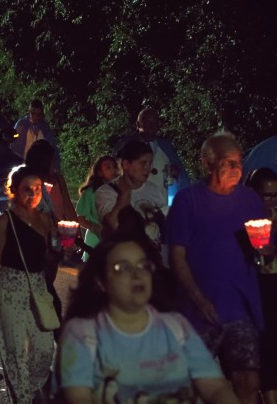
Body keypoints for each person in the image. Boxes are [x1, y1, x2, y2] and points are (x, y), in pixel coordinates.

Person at [57, 230, 237, 404]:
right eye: (123, 268)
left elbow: (216, 389)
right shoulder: (82, 334)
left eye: (143, 266)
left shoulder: (176, 326)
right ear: (100, 281)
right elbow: (78, 398)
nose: (137, 275)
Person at [166, 132, 267, 404]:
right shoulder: (188, 201)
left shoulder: (250, 200)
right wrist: (198, 298)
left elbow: (265, 247)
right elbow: (176, 255)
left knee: (248, 379)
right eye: (227, 162)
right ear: (207, 163)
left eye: (238, 162)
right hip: (198, 309)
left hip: (240, 307)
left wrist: (265, 249)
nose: (235, 168)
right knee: (190, 380)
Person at [0, 165, 60, 403]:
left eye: (38, 189)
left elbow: (49, 256)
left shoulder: (45, 220)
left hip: (37, 287)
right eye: (27, 189)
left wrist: (61, 251)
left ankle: (30, 389)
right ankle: (21, 398)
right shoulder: (5, 221)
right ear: (15, 190)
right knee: (15, 350)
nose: (33, 194)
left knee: (44, 349)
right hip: (10, 287)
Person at [96, 140, 167, 246]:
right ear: (126, 164)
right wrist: (124, 194)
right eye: (143, 163)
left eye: (150, 163)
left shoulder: (154, 189)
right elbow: (114, 225)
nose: (148, 168)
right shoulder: (107, 191)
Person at [245, 168, 277, 404]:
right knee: (264, 346)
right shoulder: (244, 220)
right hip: (256, 286)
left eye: (275, 195)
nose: (270, 200)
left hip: (274, 282)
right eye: (266, 195)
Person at [115, 108, 190, 207]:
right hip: (132, 203)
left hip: (161, 203)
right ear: (138, 124)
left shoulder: (166, 146)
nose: (151, 125)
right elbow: (115, 172)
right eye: (147, 121)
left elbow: (182, 176)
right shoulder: (126, 144)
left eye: (155, 122)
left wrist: (177, 174)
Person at [75, 155, 118, 259]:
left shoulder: (120, 190)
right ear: (99, 172)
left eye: (114, 167)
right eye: (108, 167)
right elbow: (80, 218)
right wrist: (95, 228)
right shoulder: (91, 192)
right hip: (95, 238)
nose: (113, 170)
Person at [10, 99, 59, 167]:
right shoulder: (21, 125)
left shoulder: (44, 127)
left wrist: (55, 165)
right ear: (29, 112)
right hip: (24, 165)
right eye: (33, 114)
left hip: (41, 166)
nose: (35, 117)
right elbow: (14, 146)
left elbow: (52, 146)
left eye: (38, 114)